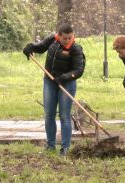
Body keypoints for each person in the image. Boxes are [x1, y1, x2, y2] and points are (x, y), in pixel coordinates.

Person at [23, 24, 85, 156]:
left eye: (70, 37)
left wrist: (64, 77)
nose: (68, 40)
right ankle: (50, 146)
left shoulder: (76, 49)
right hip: (49, 81)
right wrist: (30, 47)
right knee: (49, 114)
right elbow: (40, 48)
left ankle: (65, 148)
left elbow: (79, 70)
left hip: (66, 83)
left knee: (64, 115)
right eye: (65, 38)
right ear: (58, 35)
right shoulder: (52, 40)